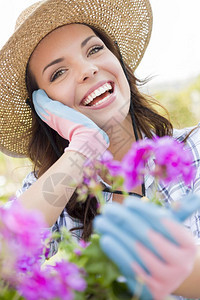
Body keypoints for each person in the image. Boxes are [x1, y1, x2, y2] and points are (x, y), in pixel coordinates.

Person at [0, 0, 200, 298]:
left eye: (94, 50)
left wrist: (190, 275)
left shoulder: (194, 149)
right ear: (45, 107)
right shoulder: (58, 189)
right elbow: (5, 259)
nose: (88, 70)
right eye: (58, 73)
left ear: (117, 58)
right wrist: (82, 147)